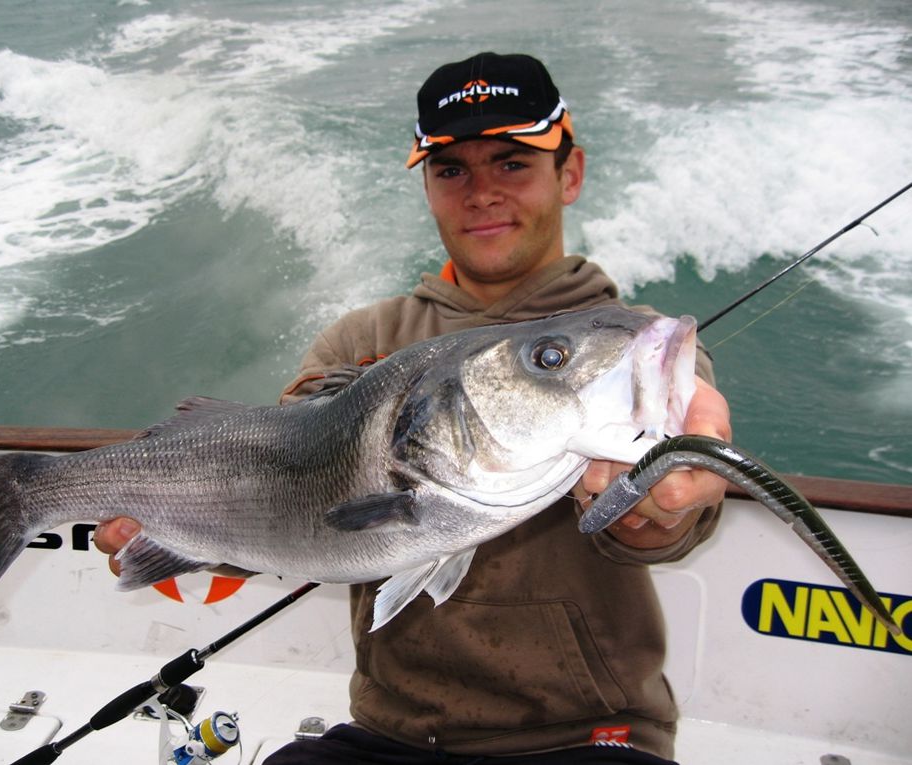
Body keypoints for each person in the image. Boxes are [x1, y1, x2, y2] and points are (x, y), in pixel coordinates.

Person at [95, 52, 730, 764]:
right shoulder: (361, 343)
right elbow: (296, 514)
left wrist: (664, 499)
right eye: (452, 169)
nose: (482, 192)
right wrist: (174, 529)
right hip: (387, 734)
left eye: (513, 162)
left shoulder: (627, 345)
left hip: (588, 733)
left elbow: (669, 523)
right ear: (427, 187)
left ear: (570, 173)